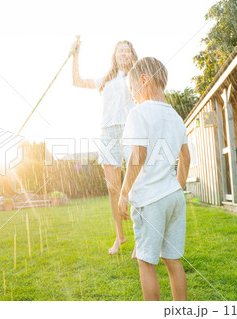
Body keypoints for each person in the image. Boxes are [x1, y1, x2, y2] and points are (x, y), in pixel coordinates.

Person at [118, 57, 191, 301]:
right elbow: (186, 158)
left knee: (146, 263)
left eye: (132, 90)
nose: (132, 97)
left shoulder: (139, 113)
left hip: (150, 201)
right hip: (174, 198)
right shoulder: (176, 117)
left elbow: (138, 155)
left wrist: (124, 193)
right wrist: (176, 188)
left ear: (144, 80)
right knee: (173, 261)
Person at [71, 39, 138, 255]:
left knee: (136, 185)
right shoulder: (106, 79)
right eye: (120, 50)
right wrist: (75, 55)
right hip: (108, 132)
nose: (124, 53)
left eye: (127, 50)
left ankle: (140, 236)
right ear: (114, 55)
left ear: (132, 55)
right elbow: (77, 81)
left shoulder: (136, 76)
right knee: (112, 188)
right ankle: (120, 236)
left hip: (130, 130)